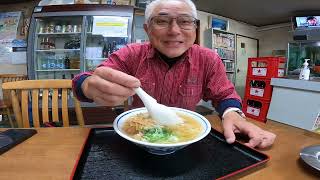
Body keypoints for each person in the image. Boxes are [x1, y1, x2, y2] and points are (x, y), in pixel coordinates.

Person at [72, 0, 276, 149]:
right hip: (138, 137)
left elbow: (224, 95)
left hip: (188, 141)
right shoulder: (131, 54)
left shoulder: (208, 59)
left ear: (195, 28)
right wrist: (88, 86)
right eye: (162, 21)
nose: (174, 30)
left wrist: (233, 113)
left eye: (185, 21)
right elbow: (85, 80)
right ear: (147, 29)